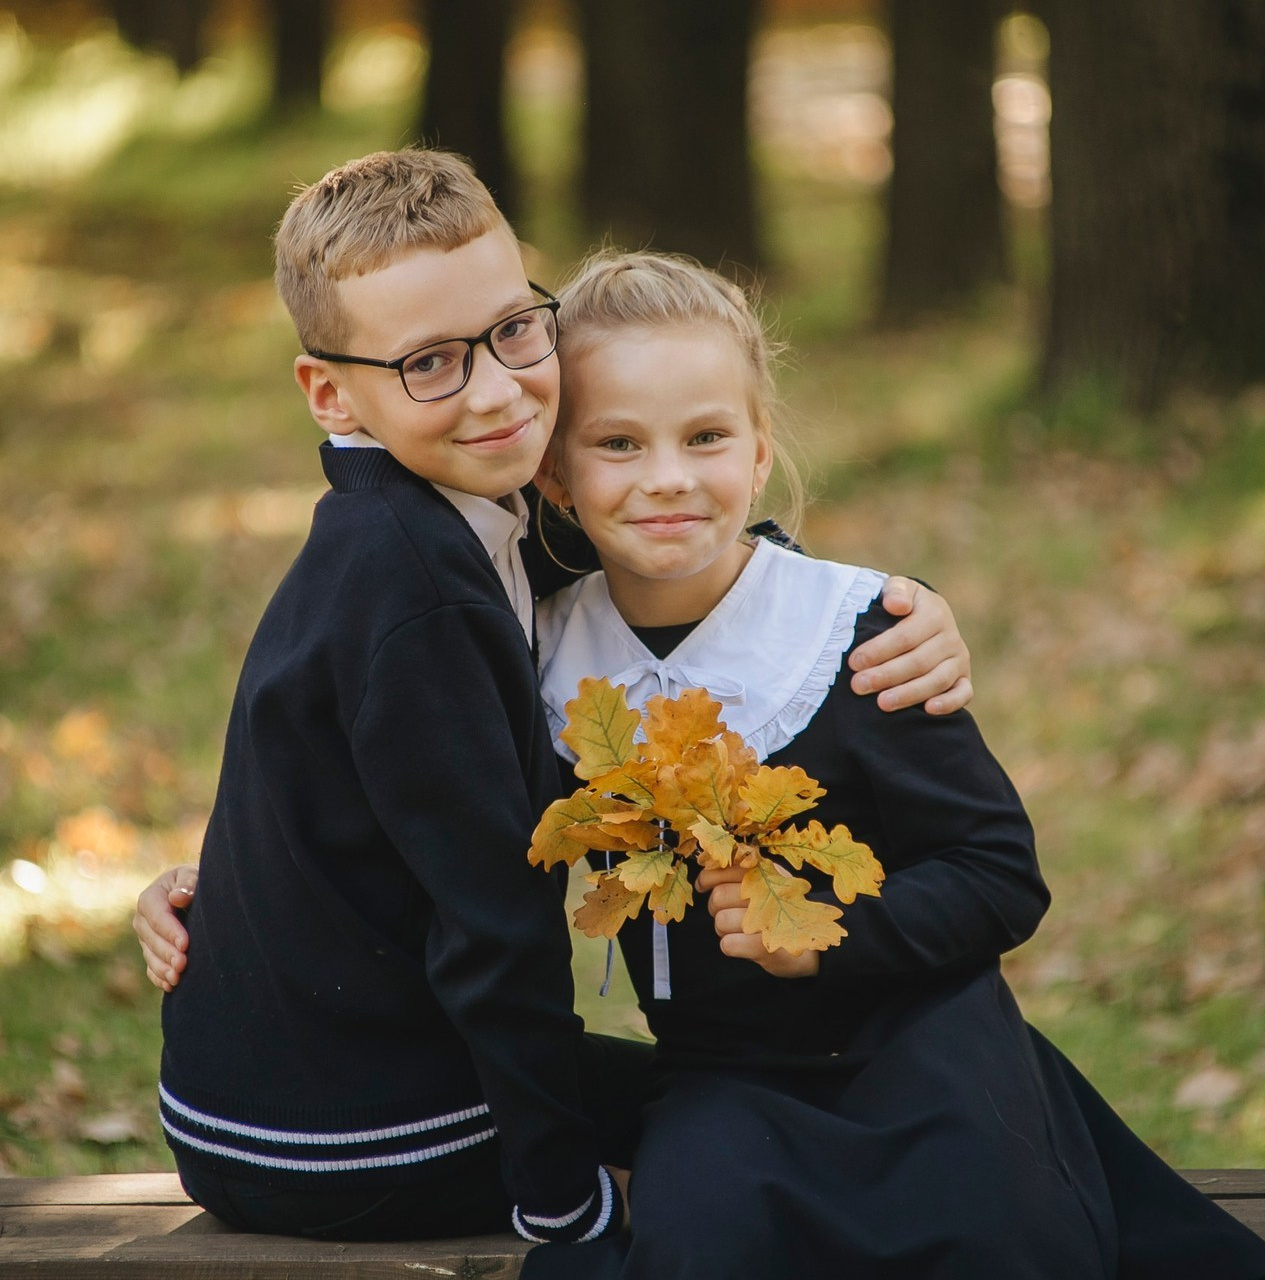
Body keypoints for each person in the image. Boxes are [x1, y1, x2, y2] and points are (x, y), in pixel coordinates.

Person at [147, 149, 974, 1247]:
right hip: (347, 1135)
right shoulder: (418, 593)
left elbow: (663, 557)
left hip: (272, 1093)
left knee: (763, 1101)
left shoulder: (443, 520)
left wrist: (880, 606)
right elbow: (497, 930)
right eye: (430, 363)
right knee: (776, 1122)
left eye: (512, 330)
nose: (496, 390)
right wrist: (563, 1202)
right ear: (330, 391)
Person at [516, 252, 1265, 1278]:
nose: (668, 477)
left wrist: (821, 938)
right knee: (699, 1241)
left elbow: (1000, 874)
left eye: (706, 437)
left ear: (758, 452)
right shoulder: (543, 656)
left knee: (987, 1243)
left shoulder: (858, 634)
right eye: (617, 443)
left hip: (925, 1051)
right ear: (554, 474)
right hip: (723, 1079)